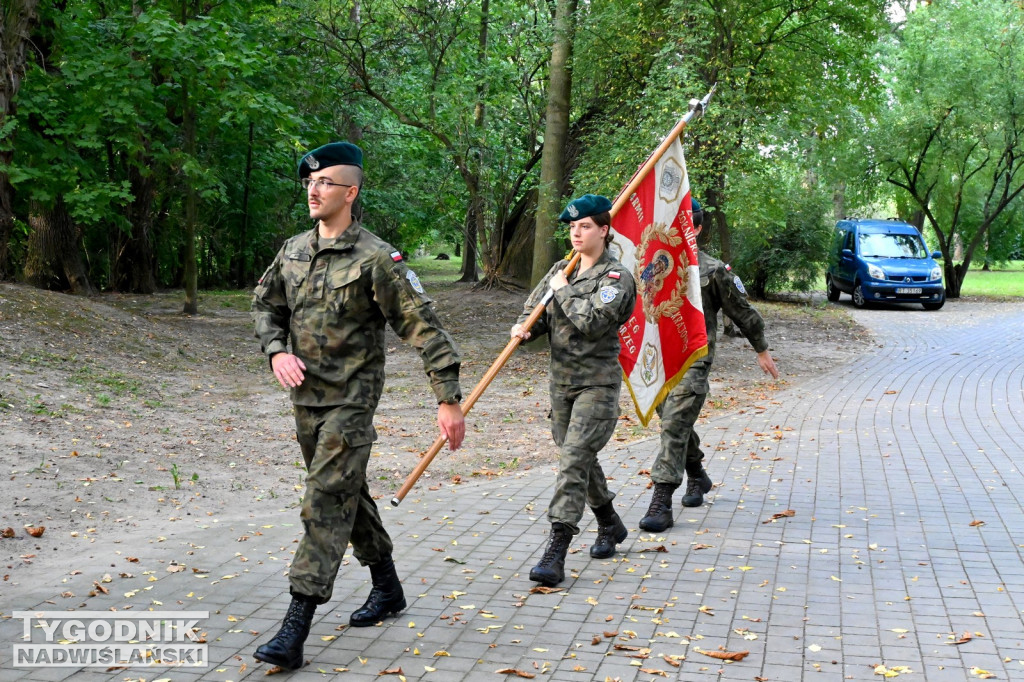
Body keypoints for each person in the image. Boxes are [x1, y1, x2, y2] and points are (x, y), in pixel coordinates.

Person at [250, 142, 465, 670]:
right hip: (306, 400)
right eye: (309, 183)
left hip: (351, 402)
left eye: (324, 183)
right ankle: (388, 588)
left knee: (323, 500)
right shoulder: (294, 250)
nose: (313, 191)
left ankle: (295, 625)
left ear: (351, 191)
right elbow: (264, 305)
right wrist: (277, 351)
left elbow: (424, 328)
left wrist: (448, 400)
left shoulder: (377, 258)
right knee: (348, 494)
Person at [511, 194, 637, 586]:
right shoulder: (559, 269)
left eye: (584, 226)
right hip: (560, 385)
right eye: (572, 227)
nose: (576, 233)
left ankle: (556, 549)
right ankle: (609, 522)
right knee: (577, 459)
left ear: (604, 229)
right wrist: (524, 329)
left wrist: (563, 290)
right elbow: (535, 312)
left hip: (596, 386)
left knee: (572, 462)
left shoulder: (615, 279)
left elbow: (593, 324)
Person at [640, 198, 779, 532]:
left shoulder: (713, 270)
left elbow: (743, 312)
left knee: (674, 423)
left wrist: (761, 349)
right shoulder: (653, 264)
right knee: (672, 421)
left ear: (698, 229)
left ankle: (661, 499)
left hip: (694, 360)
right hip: (657, 359)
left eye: (687, 225)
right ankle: (698, 475)